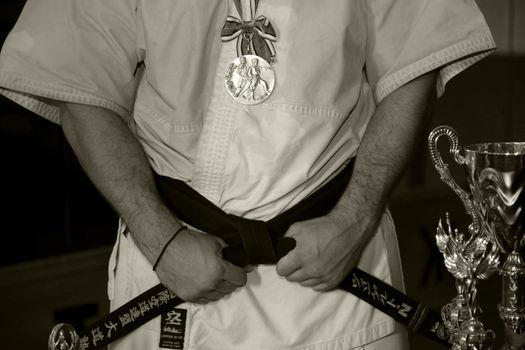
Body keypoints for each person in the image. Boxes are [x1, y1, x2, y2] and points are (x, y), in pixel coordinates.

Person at [0, 0, 495, 349]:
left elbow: (414, 63)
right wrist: (160, 237)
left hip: (336, 262)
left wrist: (356, 218)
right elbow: (79, 83)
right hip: (170, 263)